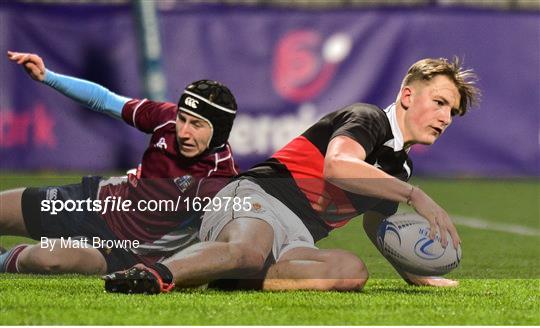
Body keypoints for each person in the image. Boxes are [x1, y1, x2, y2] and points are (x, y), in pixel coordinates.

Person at [103, 56, 480, 294]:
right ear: (409, 96)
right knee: (250, 249)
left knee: (351, 272)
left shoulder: (400, 168)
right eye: (440, 102)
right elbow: (338, 165)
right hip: (258, 197)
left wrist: (415, 273)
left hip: (299, 236)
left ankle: (230, 275)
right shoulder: (368, 118)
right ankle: (156, 273)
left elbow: (375, 225)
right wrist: (414, 195)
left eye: (453, 112)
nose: (446, 118)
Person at [0, 51, 239, 275]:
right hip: (92, 200)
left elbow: (233, 247)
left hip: (124, 251)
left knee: (47, 258)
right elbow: (104, 100)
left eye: (196, 125)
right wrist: (47, 76)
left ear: (219, 132)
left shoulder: (219, 184)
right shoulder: (165, 118)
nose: (184, 132)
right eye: (182, 119)